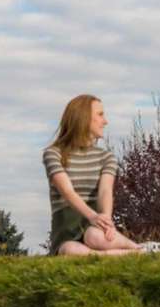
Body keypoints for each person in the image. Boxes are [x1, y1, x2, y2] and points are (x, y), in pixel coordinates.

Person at [43, 94, 149, 256]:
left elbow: (105, 191)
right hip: (67, 228)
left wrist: (105, 220)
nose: (105, 121)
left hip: (94, 226)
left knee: (94, 236)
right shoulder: (53, 153)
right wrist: (92, 216)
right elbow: (67, 191)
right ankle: (137, 253)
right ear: (83, 117)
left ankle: (139, 248)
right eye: (100, 115)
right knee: (69, 250)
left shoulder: (106, 157)